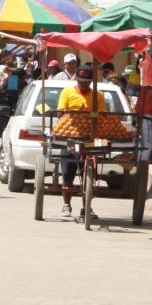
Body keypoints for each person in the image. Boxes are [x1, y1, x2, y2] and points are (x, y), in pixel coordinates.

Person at [56, 65, 99, 219]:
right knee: (68, 171)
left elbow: (103, 116)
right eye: (81, 81)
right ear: (77, 79)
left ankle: (87, 207)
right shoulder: (67, 92)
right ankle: (66, 204)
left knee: (91, 172)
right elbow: (61, 113)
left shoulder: (97, 96)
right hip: (71, 138)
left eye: (87, 82)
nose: (84, 84)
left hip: (90, 139)